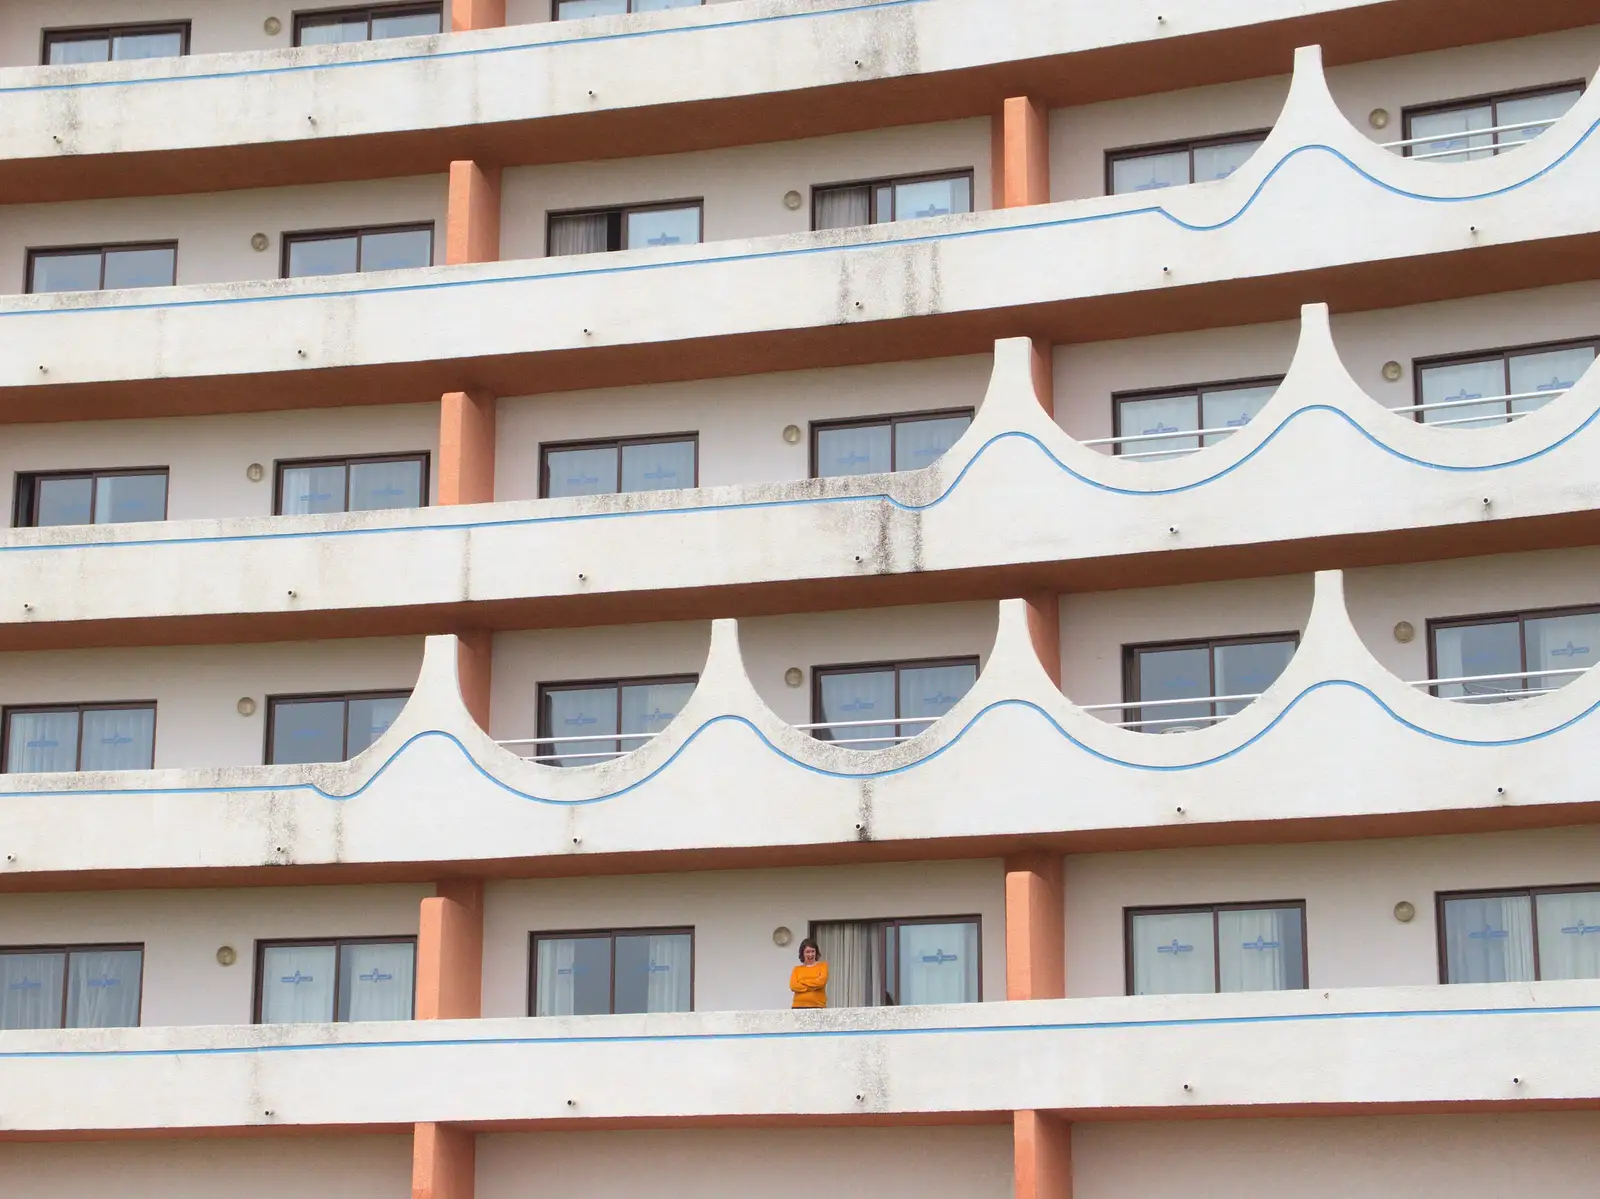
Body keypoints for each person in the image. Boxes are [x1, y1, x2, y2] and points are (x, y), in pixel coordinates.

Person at [789, 938, 828, 1009]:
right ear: (802, 953)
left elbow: (821, 982)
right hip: (798, 1006)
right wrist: (812, 987)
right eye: (807, 952)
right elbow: (793, 986)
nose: (810, 954)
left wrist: (802, 982)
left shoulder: (823, 966)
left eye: (813, 951)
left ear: (816, 952)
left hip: (818, 1006)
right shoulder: (797, 969)